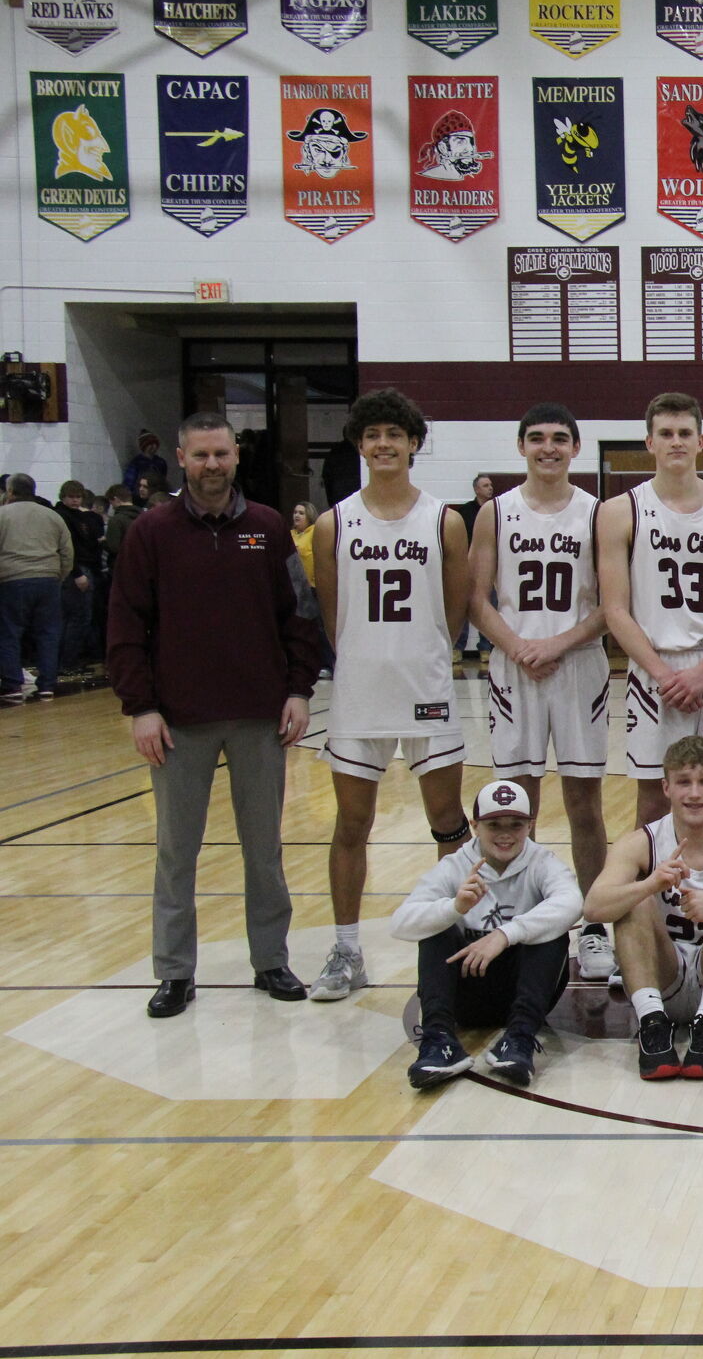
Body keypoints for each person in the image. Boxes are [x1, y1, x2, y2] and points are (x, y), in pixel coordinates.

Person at [105, 412, 321, 1018]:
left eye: (221, 454)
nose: (212, 466)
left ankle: (271, 961)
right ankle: (175, 973)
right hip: (178, 722)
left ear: (236, 456)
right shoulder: (151, 532)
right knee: (177, 852)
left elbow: (299, 616)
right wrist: (141, 707)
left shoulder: (268, 529)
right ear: (180, 457)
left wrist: (299, 689)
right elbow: (125, 624)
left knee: (264, 849)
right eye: (200, 456)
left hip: (259, 717)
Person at [310, 390, 472, 1003]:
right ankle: (347, 948)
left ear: (412, 444)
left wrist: (424, 650)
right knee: (352, 824)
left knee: (447, 822)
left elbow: (453, 611)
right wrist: (365, 655)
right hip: (359, 691)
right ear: (359, 444)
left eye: (394, 435)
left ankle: (453, 936)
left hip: (425, 685)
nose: (383, 444)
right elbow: (333, 611)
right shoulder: (335, 522)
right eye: (373, 434)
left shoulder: (443, 520)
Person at [469, 404, 614, 980]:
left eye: (559, 439)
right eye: (537, 438)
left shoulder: (597, 514)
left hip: (576, 665)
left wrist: (556, 644)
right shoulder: (494, 514)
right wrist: (518, 645)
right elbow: (477, 599)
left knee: (585, 805)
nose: (548, 447)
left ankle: (596, 923)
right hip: (515, 667)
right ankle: (512, 915)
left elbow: (612, 604)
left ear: (576, 448)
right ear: (520, 446)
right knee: (513, 805)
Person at [599, 393, 703, 829]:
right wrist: (665, 675)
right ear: (648, 442)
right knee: (651, 804)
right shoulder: (620, 511)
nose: (676, 442)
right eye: (665, 434)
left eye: (685, 433)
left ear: (701, 441)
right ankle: (647, 896)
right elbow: (615, 610)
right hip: (654, 667)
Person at [583, 736, 703, 1080]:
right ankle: (652, 1024)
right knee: (635, 898)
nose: (694, 794)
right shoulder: (639, 842)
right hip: (663, 979)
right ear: (666, 787)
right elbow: (594, 908)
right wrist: (650, 884)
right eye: (683, 782)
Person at [389, 780, 582, 1089]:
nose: (505, 834)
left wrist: (505, 934)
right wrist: (454, 907)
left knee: (553, 931)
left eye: (515, 825)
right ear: (475, 825)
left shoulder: (542, 863)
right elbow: (400, 923)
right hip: (467, 992)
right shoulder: (454, 866)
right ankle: (439, 1041)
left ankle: (519, 1038)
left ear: (530, 826)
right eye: (494, 825)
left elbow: (573, 904)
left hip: (523, 990)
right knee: (436, 925)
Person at [0, 474, 71, 704]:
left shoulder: (2, 515)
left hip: (12, 580)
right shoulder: (52, 516)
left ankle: (12, 686)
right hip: (48, 580)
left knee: (9, 634)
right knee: (49, 634)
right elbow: (67, 552)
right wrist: (58, 576)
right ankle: (47, 686)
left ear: (10, 492)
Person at [54, 480, 105, 670]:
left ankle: (66, 661)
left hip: (81, 568)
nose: (75, 501)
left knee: (72, 617)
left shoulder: (78, 516)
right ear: (63, 497)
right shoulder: (63, 517)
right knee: (78, 617)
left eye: (78, 497)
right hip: (77, 569)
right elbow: (68, 548)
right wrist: (76, 573)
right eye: (71, 497)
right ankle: (68, 662)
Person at [454, 472, 495, 661]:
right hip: (467, 567)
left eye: (490, 485)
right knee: (463, 608)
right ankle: (457, 648)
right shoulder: (465, 512)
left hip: (490, 569)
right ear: (477, 489)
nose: (490, 488)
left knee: (489, 607)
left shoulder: (497, 511)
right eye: (485, 485)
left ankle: (485, 648)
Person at [123, 430, 169, 495]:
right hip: (140, 496)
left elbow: (163, 480)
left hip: (157, 494)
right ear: (144, 446)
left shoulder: (161, 462)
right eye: (150, 444)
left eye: (154, 444)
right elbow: (129, 482)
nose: (153, 446)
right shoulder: (137, 463)